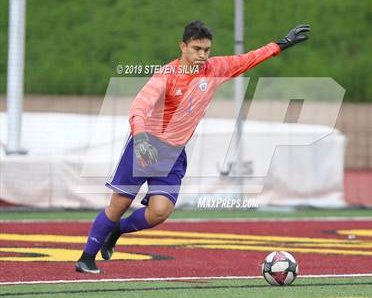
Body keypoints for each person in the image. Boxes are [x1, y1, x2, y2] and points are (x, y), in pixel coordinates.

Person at [76, 20, 310, 273]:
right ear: (183, 47)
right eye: (197, 49)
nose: (202, 55)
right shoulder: (166, 75)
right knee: (118, 205)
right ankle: (86, 258)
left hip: (173, 154)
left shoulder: (215, 68)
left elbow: (249, 58)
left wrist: (282, 44)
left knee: (159, 212)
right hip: (145, 147)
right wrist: (141, 138)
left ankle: (116, 231)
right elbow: (138, 107)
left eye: (206, 50)